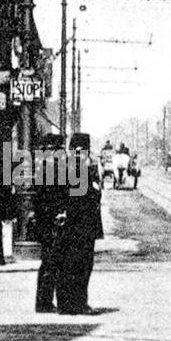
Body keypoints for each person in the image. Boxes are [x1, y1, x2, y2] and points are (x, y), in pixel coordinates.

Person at [55, 134, 105, 315]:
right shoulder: (84, 167)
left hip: (68, 223)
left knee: (66, 263)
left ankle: (64, 304)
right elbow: (94, 194)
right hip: (83, 224)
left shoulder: (63, 165)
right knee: (82, 265)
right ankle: (78, 303)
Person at [33, 134, 66, 312]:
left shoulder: (43, 166)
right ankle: (44, 302)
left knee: (49, 261)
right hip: (50, 221)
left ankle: (44, 301)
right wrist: (58, 213)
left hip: (45, 220)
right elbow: (52, 197)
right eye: (59, 149)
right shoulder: (51, 168)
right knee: (51, 261)